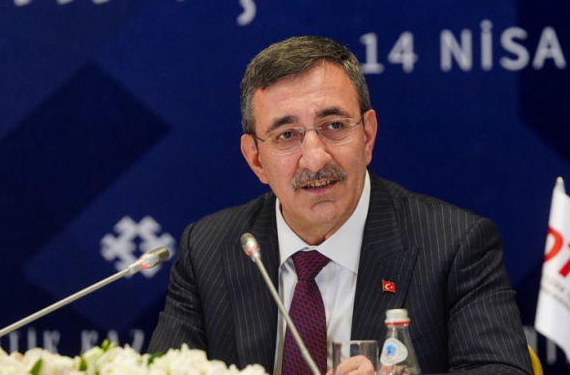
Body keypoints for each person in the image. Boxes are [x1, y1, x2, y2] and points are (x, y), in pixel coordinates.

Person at [149, 36, 533, 375]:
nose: (315, 158)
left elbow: (501, 370)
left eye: (334, 125)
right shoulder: (209, 250)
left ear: (367, 136)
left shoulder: (454, 244)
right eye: (287, 135)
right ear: (255, 159)